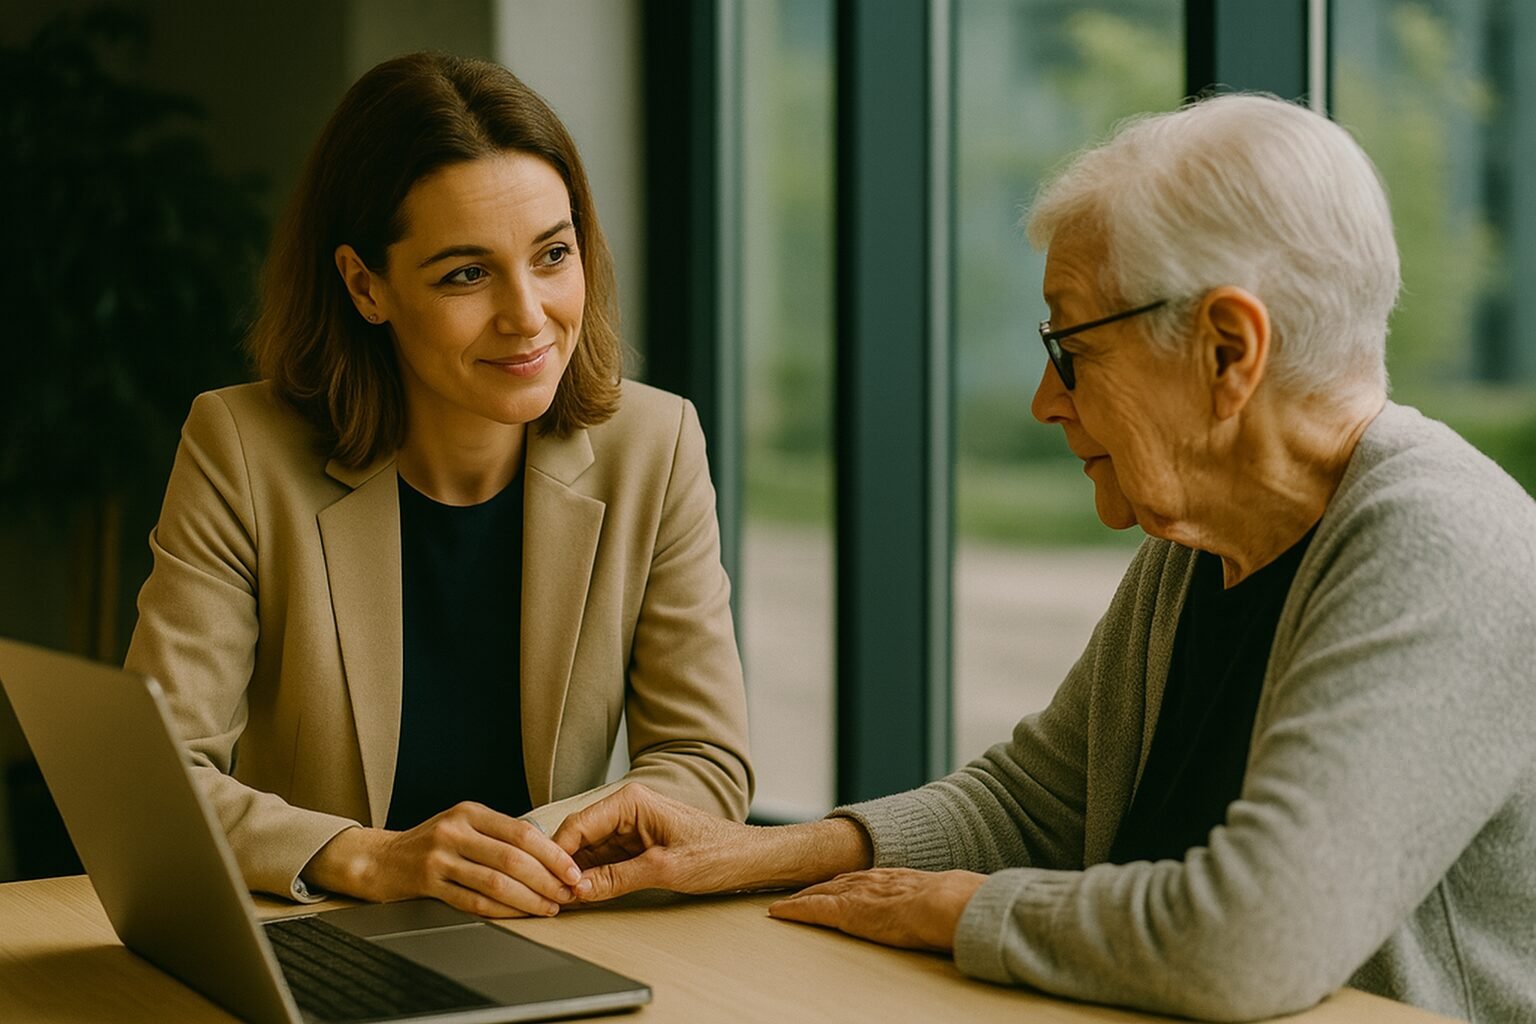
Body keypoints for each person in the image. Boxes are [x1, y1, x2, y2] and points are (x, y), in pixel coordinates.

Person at [549, 94, 1536, 1022]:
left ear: (1229, 350)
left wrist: (960, 910)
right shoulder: (1202, 545)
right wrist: (754, 852)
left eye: (1073, 349)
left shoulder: (1442, 545)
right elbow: (1038, 805)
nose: (1044, 399)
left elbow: (1251, 939)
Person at [124, 52, 753, 918]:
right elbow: (156, 779)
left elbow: (705, 766)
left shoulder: (656, 443)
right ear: (365, 286)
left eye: (553, 254)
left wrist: (507, 859)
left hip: (552, 926)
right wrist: (369, 858)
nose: (527, 315)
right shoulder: (240, 448)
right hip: (317, 932)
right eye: (467, 273)